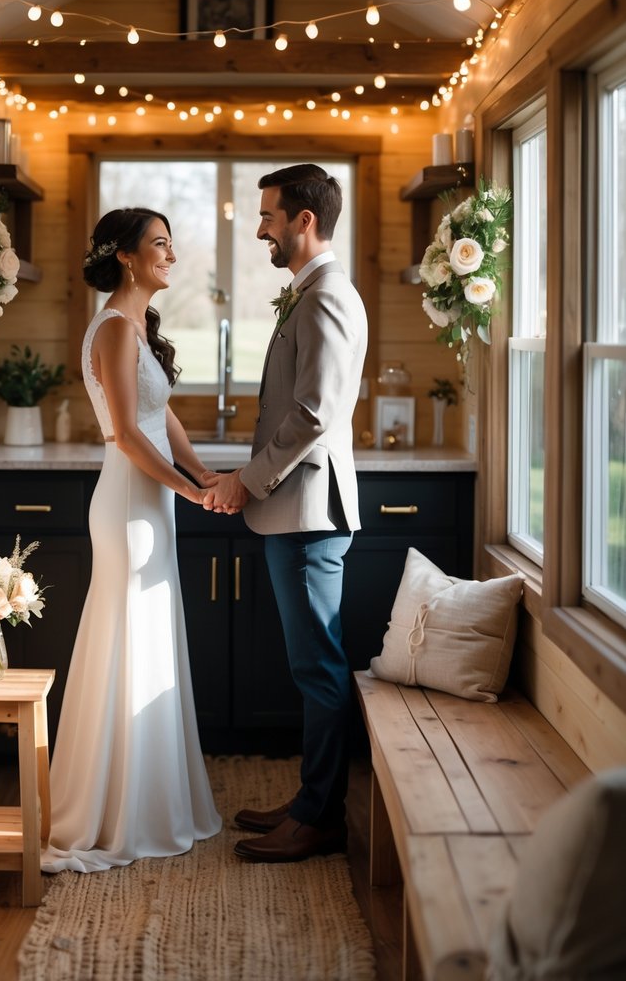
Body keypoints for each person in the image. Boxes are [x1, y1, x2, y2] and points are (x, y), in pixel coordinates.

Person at [41, 207, 222, 873]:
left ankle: (149, 799)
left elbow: (160, 411)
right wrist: (191, 490)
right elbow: (123, 431)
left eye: (171, 246)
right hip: (126, 503)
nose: (170, 256)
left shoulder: (138, 326)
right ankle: (113, 811)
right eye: (159, 245)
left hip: (150, 501)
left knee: (148, 638)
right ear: (124, 255)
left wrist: (200, 471)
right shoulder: (115, 327)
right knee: (128, 636)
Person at [204, 164, 368, 863]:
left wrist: (249, 478)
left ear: (305, 221)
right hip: (297, 508)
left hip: (305, 509)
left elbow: (311, 412)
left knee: (318, 669)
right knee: (313, 668)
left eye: (269, 215)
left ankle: (319, 817)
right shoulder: (310, 293)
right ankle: (310, 801)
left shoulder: (327, 295)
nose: (261, 227)